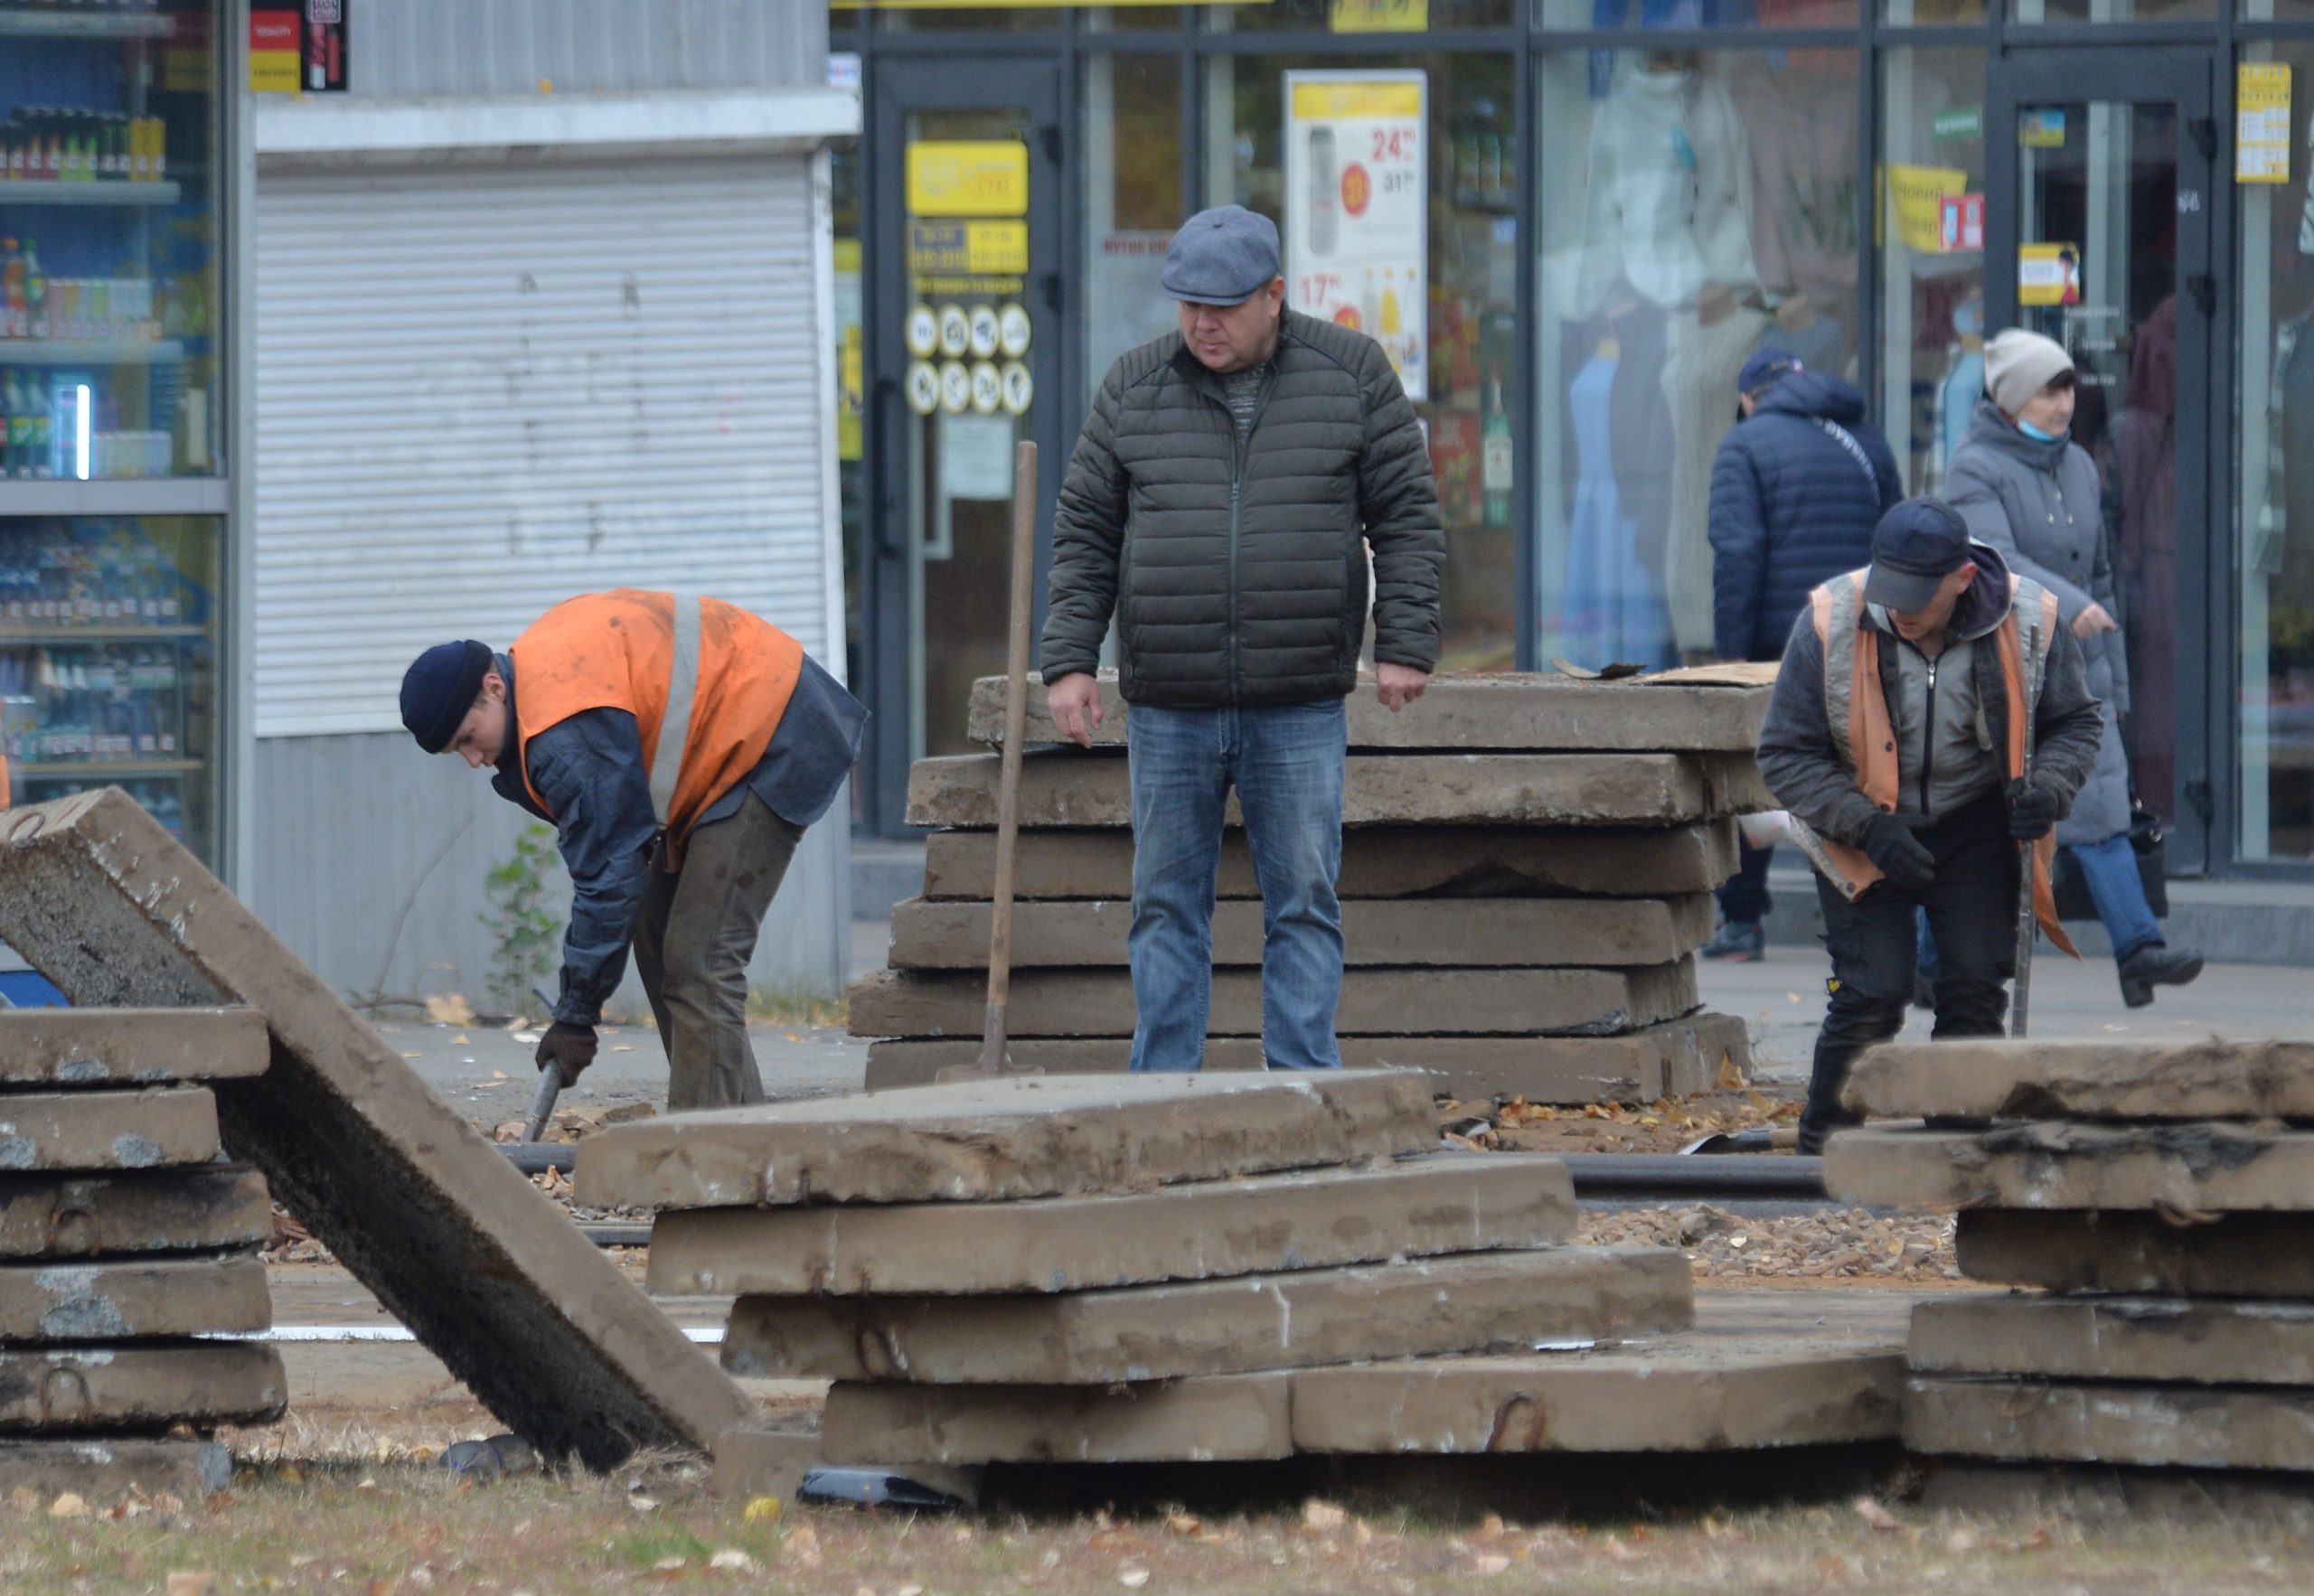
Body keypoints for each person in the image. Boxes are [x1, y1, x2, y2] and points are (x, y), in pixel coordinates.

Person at [1039, 204, 1444, 1073]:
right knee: (1164, 906)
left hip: (1296, 698)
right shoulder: (1133, 387)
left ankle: (1302, 1094)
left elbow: (1407, 516)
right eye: (1187, 303)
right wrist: (1070, 662)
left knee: (1302, 901)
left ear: (1274, 296)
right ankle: (1163, 1098)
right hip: (1169, 703)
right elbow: (1085, 532)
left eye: (1221, 305)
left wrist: (1404, 640)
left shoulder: (1351, 375)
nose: (1201, 323)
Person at [399, 590, 866, 1110]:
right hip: (725, 743)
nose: (471, 759)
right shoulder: (539, 695)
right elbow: (617, 861)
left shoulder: (561, 731)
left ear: (494, 688)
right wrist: (579, 1006)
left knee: (699, 961)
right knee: (658, 941)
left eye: (468, 737)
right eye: (455, 751)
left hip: (773, 728)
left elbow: (608, 876)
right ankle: (741, 1128)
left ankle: (705, 1156)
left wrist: (576, 1015)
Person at [1757, 498, 2105, 1154]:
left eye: (1919, 596)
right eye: (1891, 592)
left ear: (1964, 579)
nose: (1900, 610)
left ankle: (1958, 1152)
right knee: (1871, 993)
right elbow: (1784, 753)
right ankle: (1823, 1152)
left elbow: (2077, 723)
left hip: (1974, 824)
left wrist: (2050, 789)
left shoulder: (2033, 621)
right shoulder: (1830, 620)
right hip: (1861, 822)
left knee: (1974, 985)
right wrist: (1864, 825)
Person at [1946, 330, 2205, 1008]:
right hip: (2004, 665)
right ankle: (1927, 958)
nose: (2062, 405)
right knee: (1981, 828)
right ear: (2009, 400)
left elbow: (2101, 575)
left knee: (2101, 811)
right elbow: (1994, 563)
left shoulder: (2082, 467)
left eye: (2066, 389)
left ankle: (2139, 952)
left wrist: (2112, 681)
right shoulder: (1973, 468)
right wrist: (2075, 606)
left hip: (2079, 672)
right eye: (2046, 391)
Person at [1700, 350, 1901, 961]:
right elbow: (1896, 539)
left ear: (1747, 397)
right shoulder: (1868, 438)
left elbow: (1738, 553)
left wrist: (1730, 656)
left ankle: (1741, 924)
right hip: (1862, 630)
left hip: (1778, 638)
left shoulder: (1745, 444)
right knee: (1856, 772)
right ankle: (1866, 922)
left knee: (1757, 774)